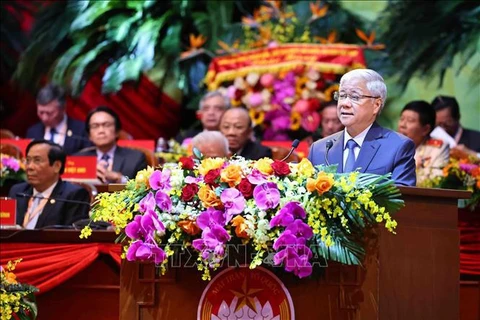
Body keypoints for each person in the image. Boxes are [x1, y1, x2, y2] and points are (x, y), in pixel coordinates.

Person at [308, 69, 416, 186]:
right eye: (342, 95)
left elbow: (403, 199)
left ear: (376, 105)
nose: (345, 103)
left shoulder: (398, 147)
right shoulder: (319, 150)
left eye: (355, 97)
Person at [8, 140, 90, 229]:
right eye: (28, 160)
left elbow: (71, 235)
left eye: (37, 160)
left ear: (57, 166)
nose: (29, 167)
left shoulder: (74, 195)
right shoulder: (17, 191)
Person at [75, 106, 147, 183]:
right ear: (89, 135)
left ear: (117, 131)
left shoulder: (135, 158)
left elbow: (143, 188)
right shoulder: (77, 159)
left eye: (106, 125)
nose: (101, 130)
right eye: (95, 126)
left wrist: (120, 179)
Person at [26, 83, 91, 154]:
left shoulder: (81, 131)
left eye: (49, 113)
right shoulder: (33, 132)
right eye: (41, 112)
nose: (44, 118)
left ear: (63, 108)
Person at [398, 101, 449, 185]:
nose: (402, 125)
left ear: (425, 129)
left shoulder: (438, 148)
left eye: (410, 121)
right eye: (402, 119)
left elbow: (435, 181)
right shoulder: (390, 144)